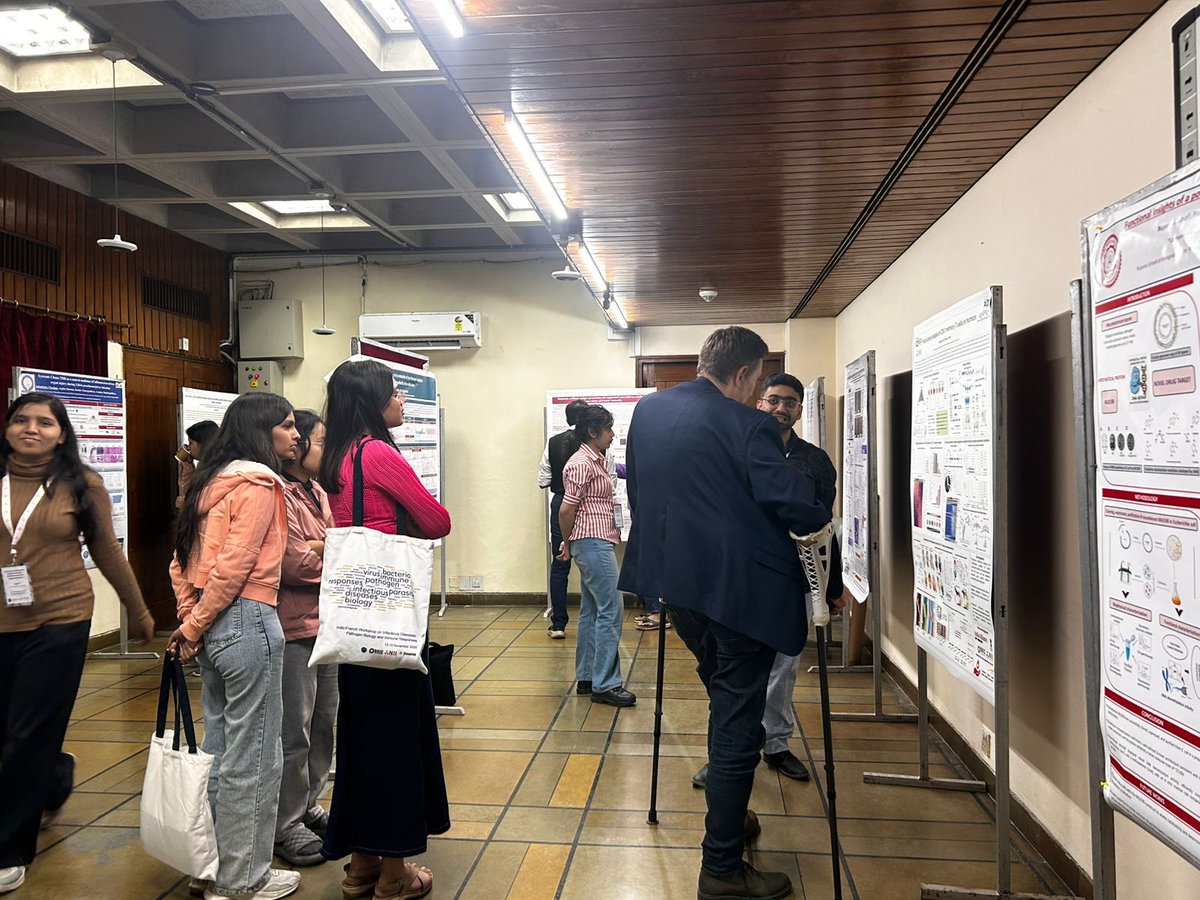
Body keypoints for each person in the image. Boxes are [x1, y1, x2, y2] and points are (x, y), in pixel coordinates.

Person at [619, 327, 832, 900]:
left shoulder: (649, 411)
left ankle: (731, 815)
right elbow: (793, 504)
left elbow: (641, 491)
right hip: (740, 595)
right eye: (758, 381)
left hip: (676, 586)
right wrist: (822, 529)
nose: (758, 392)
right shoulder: (748, 425)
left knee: (726, 696)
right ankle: (721, 869)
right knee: (739, 719)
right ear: (742, 374)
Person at [0, 393, 155, 896]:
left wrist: (138, 610)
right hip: (2, 621)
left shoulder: (80, 483)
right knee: (14, 734)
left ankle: (10, 849)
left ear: (62, 434)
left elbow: (107, 550)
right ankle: (53, 775)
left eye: (44, 422)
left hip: (60, 620)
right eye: (21, 420)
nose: (31, 429)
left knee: (26, 735)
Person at [318, 359, 451, 900]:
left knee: (361, 737)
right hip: (391, 617)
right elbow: (437, 520)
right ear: (372, 401)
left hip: (352, 620)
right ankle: (395, 876)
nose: (401, 400)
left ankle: (361, 866)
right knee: (397, 738)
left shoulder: (337, 455)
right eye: (394, 392)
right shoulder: (378, 453)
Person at [167, 392, 301, 900]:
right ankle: (242, 879)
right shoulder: (260, 484)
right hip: (247, 619)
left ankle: (211, 867)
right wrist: (196, 624)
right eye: (286, 425)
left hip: (212, 625)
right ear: (261, 432)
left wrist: (192, 621)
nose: (295, 435)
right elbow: (237, 563)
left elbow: (180, 562)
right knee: (256, 755)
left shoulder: (208, 482)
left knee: (220, 750)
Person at [273, 410, 338, 867]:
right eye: (321, 440)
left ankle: (308, 803)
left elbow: (338, 546)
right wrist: (326, 550)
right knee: (292, 730)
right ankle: (285, 823)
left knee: (323, 724)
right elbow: (292, 562)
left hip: (326, 624)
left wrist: (323, 548)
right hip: (292, 626)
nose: (325, 449)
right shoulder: (278, 493)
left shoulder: (316, 491)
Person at [557, 405, 635, 708]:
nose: (612, 434)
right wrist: (567, 543)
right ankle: (606, 683)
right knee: (612, 608)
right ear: (592, 432)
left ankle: (588, 676)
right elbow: (566, 509)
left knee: (592, 610)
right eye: (608, 429)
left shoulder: (597, 460)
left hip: (597, 540)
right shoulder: (581, 462)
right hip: (592, 541)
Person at [537, 398, 588, 639]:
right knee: (591, 562)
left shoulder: (553, 442)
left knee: (560, 564)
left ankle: (558, 624)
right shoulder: (593, 442)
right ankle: (592, 620)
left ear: (567, 418)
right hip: (587, 505)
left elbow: (543, 479)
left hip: (561, 503)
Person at [176, 420, 219, 509]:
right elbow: (189, 491)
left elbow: (208, 502)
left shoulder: (215, 469)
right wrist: (188, 463)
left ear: (203, 444)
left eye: (191, 443)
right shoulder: (205, 465)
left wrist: (186, 506)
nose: (188, 447)